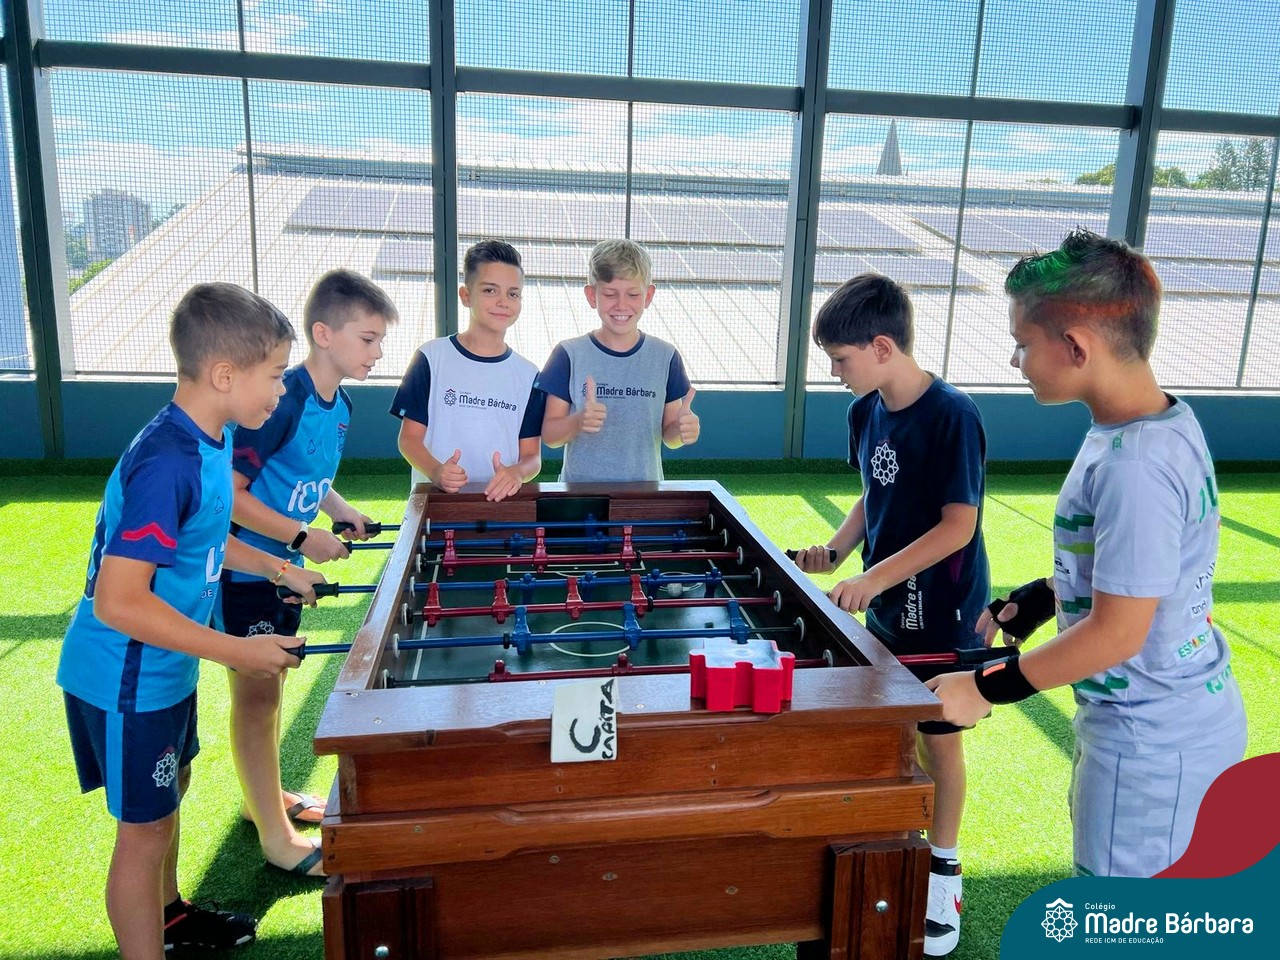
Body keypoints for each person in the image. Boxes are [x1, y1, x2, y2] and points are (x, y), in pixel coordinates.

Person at [927, 229, 1248, 880]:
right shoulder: (1155, 424)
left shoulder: (1135, 465)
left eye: (1023, 343)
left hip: (1148, 742)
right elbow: (1146, 563)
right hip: (1170, 724)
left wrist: (985, 688)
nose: (1016, 360)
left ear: (1076, 347)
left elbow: (1118, 634)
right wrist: (1047, 595)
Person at [56, 283, 324, 959]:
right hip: (124, 677)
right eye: (275, 374)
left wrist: (279, 568)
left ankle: (170, 919)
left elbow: (204, 537)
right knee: (144, 832)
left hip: (164, 668)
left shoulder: (213, 437)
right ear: (224, 374)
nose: (282, 389)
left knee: (171, 791)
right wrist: (235, 649)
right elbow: (119, 601)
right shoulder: (166, 461)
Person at [792, 273, 989, 957]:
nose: (835, 372)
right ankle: (898, 850)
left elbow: (959, 526)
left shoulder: (953, 415)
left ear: (882, 347)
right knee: (891, 730)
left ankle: (943, 870)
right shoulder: (864, 410)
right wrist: (835, 551)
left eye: (840, 359)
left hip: (943, 610)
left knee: (939, 738)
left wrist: (872, 578)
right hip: (887, 606)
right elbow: (873, 493)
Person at [217, 269, 397, 876]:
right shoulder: (282, 399)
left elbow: (307, 476)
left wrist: (340, 511)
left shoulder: (339, 403)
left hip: (284, 570)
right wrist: (300, 537)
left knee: (271, 689)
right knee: (257, 696)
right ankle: (275, 836)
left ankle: (264, 799)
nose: (378, 352)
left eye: (379, 340)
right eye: (368, 339)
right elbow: (229, 498)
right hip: (246, 571)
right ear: (323, 334)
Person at [392, 239, 544, 500]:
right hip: (435, 505)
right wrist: (436, 471)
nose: (503, 302)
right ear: (465, 296)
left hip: (500, 508)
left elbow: (532, 456)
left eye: (513, 293)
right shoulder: (430, 357)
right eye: (490, 290)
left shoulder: (529, 374)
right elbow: (409, 439)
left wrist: (517, 472)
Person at [538, 238, 699, 481]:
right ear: (592, 296)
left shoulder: (666, 357)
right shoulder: (568, 354)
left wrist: (682, 429)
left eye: (633, 294)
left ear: (648, 296)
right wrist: (578, 421)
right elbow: (550, 436)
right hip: (580, 495)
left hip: (643, 496)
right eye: (610, 294)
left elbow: (670, 435)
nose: (622, 305)